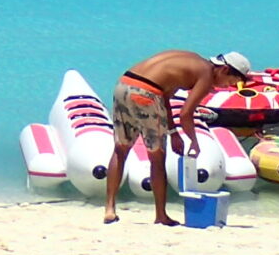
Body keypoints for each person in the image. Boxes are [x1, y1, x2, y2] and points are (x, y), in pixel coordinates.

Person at [101, 49, 251, 225]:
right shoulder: (206, 75)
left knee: (121, 149)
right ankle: (161, 215)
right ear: (224, 70)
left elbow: (163, 98)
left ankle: (109, 209)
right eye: (230, 82)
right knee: (157, 157)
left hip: (124, 85)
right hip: (146, 94)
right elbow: (186, 114)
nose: (225, 87)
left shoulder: (191, 62)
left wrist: (174, 134)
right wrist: (194, 142)